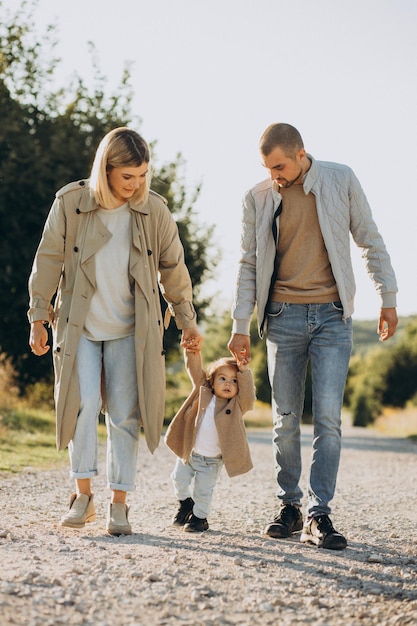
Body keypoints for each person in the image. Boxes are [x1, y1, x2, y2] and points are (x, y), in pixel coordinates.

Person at [228, 123, 398, 550]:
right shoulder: (258, 197)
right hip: (281, 317)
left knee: (328, 420)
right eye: (268, 167)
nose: (274, 175)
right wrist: (239, 324)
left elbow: (369, 239)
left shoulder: (340, 179)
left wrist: (387, 296)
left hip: (332, 317)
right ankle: (289, 506)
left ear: (302, 153)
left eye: (280, 166)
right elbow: (249, 264)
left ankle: (320, 515)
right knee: (285, 420)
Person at [28, 127, 200, 536]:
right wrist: (38, 315)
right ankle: (83, 496)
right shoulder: (70, 203)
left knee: (124, 415)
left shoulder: (153, 210)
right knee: (82, 404)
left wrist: (187, 319)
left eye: (142, 176)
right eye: (128, 177)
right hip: (80, 325)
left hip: (132, 330)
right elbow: (48, 258)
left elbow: (173, 268)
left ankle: (119, 505)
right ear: (106, 170)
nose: (136, 185)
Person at [165, 339, 255, 532]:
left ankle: (199, 518)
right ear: (212, 382)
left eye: (234, 381)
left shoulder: (237, 406)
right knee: (178, 479)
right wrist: (193, 352)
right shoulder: (203, 392)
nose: (228, 384)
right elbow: (195, 369)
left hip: (211, 461)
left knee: (203, 491)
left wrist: (244, 372)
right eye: (222, 378)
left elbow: (248, 397)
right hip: (189, 453)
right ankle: (185, 503)